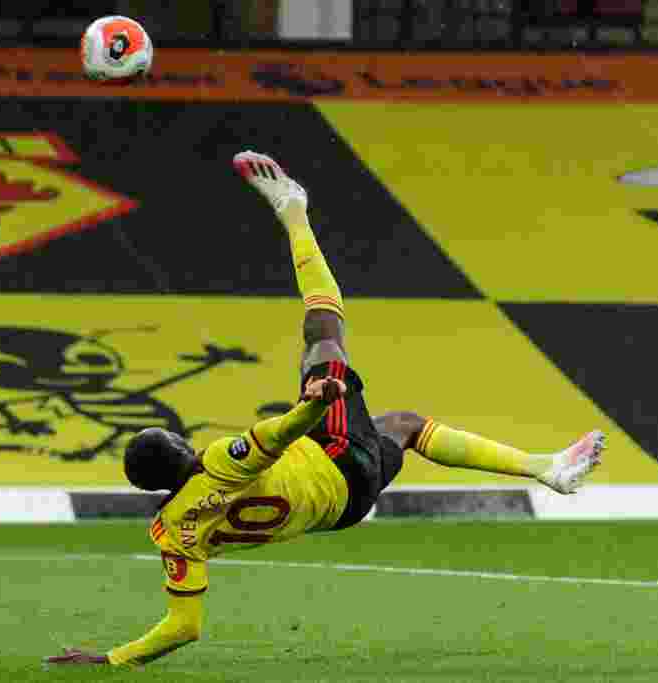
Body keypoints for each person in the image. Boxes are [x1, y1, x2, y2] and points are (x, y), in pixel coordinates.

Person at [44, 151, 605, 668]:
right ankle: (294, 212)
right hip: (332, 457)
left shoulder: (170, 531)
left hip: (345, 508)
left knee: (404, 427)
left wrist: (112, 660)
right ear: (182, 449)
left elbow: (183, 627)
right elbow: (284, 432)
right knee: (324, 336)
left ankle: (545, 469)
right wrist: (318, 399)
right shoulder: (218, 462)